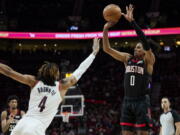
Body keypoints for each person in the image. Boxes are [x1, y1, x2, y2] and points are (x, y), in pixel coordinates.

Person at [0, 38, 100, 135]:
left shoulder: (33, 81)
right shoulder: (61, 86)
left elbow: (9, 72)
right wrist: (94, 53)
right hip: (36, 128)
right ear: (56, 74)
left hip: (21, 124)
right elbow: (79, 71)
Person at [103, 4, 155, 135]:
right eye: (135, 47)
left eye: (139, 47)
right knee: (125, 133)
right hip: (127, 100)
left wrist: (132, 22)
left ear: (144, 50)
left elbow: (144, 40)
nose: (135, 49)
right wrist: (105, 29)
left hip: (142, 101)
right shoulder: (127, 58)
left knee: (143, 133)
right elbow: (107, 49)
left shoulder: (148, 60)